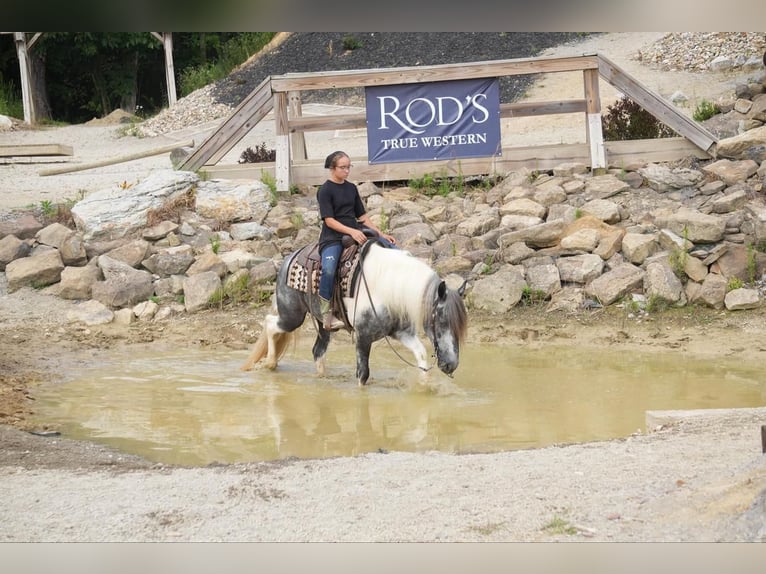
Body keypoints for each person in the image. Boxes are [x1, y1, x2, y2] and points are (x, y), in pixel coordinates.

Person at [316, 150, 397, 331]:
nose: (347, 171)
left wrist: (381, 233)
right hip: (333, 237)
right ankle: (325, 313)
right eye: (343, 167)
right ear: (332, 168)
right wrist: (352, 231)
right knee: (328, 270)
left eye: (348, 167)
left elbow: (362, 217)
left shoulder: (351, 188)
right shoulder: (325, 190)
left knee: (390, 249)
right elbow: (329, 220)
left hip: (355, 230)